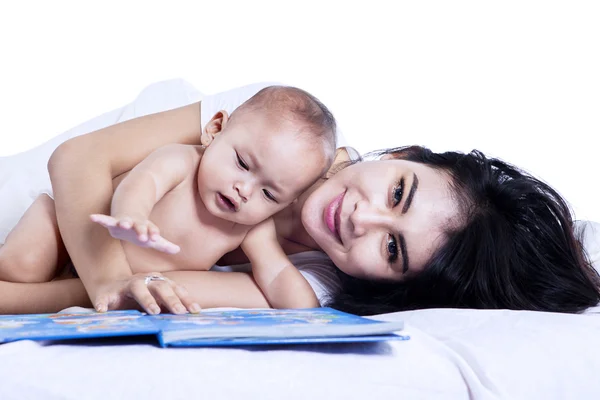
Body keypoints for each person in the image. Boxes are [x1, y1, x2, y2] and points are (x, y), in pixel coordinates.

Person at [0, 81, 598, 316]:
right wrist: (109, 277)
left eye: (392, 248)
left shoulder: (308, 282)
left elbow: (145, 287)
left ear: (395, 283)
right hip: (49, 202)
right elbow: (75, 160)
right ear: (405, 154)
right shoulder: (284, 123)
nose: (362, 217)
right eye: (397, 190)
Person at [0, 85, 338, 313]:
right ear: (215, 129)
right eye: (242, 163)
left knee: (53, 288)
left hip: (93, 280)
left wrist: (311, 312)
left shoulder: (250, 228)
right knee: (24, 264)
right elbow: (141, 184)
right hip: (67, 230)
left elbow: (279, 280)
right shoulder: (181, 161)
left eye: (269, 193)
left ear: (285, 204)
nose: (244, 190)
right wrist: (133, 217)